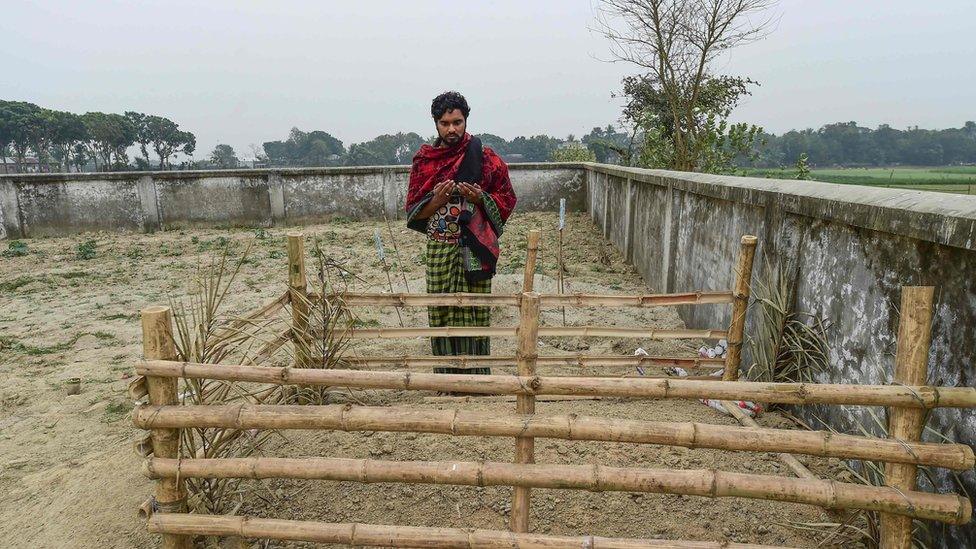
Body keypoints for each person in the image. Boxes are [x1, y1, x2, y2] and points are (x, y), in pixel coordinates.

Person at [405, 91, 517, 374]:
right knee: (441, 310)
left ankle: (477, 377)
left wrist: (480, 199)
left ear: (466, 120)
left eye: (457, 121)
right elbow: (414, 212)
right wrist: (437, 202)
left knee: (476, 311)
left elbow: (506, 198)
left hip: (475, 248)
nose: (452, 129)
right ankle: (446, 378)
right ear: (435, 124)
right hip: (439, 248)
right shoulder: (425, 161)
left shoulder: (487, 158)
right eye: (445, 123)